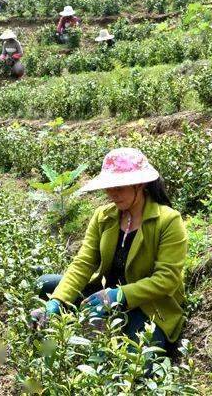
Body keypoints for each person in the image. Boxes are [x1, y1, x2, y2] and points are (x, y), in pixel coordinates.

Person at [31, 148, 188, 354]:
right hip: (102, 294)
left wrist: (120, 295)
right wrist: (57, 302)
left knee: (140, 361)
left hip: (145, 304)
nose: (112, 193)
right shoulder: (104, 216)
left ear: (139, 184)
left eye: (120, 187)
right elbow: (84, 262)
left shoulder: (168, 221)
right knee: (47, 285)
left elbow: (167, 279)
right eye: (109, 187)